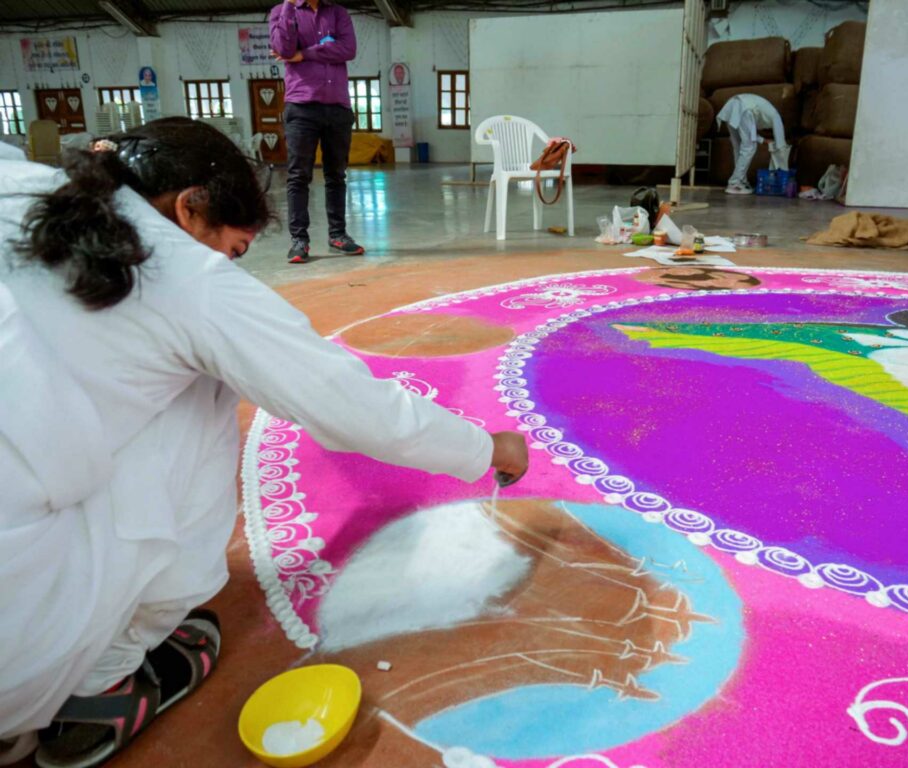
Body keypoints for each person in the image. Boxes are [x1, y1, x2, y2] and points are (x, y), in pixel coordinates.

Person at [0, 118, 528, 767]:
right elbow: (353, 407)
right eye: (232, 250)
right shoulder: (189, 280)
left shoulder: (19, 182)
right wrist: (488, 448)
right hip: (17, 641)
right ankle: (101, 678)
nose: (228, 266)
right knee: (204, 398)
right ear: (190, 209)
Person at [269, 0, 363, 265]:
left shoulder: (338, 12)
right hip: (301, 106)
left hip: (338, 106)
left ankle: (338, 235)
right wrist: (289, 7)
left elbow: (349, 49)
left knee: (336, 175)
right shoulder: (280, 12)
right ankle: (299, 240)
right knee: (299, 175)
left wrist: (305, 54)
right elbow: (283, 48)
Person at [716, 93, 791, 196]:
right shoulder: (776, 116)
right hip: (744, 108)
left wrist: (763, 140)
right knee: (749, 147)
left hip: (732, 105)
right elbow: (780, 143)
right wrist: (782, 155)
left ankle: (741, 180)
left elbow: (749, 130)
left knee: (738, 148)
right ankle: (735, 183)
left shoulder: (767, 110)